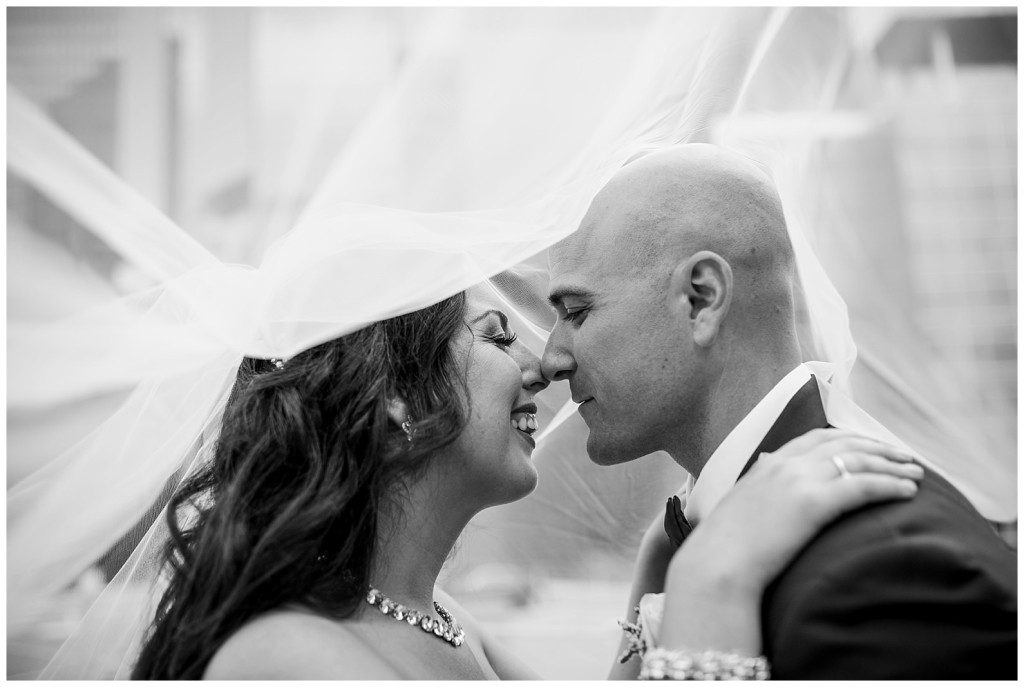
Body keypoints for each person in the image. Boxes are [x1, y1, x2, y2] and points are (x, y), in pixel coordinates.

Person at [130, 284, 924, 680]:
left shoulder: (445, 621)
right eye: (496, 335)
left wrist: (659, 574)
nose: (541, 366)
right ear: (397, 402)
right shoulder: (287, 658)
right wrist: (717, 584)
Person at [542, 143, 1017, 680]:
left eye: (576, 312)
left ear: (700, 298)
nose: (551, 359)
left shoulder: (891, 571)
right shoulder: (703, 532)